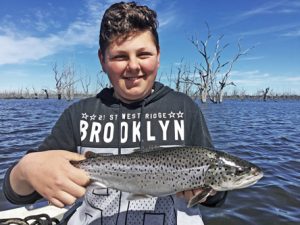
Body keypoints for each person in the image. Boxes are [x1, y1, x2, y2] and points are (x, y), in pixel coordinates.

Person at [3, 2, 226, 224]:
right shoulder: (79, 114)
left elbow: (216, 197)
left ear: (158, 56)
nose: (133, 66)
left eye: (144, 54)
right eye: (120, 56)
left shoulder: (184, 108)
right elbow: (17, 193)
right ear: (102, 60)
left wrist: (208, 192)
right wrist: (26, 168)